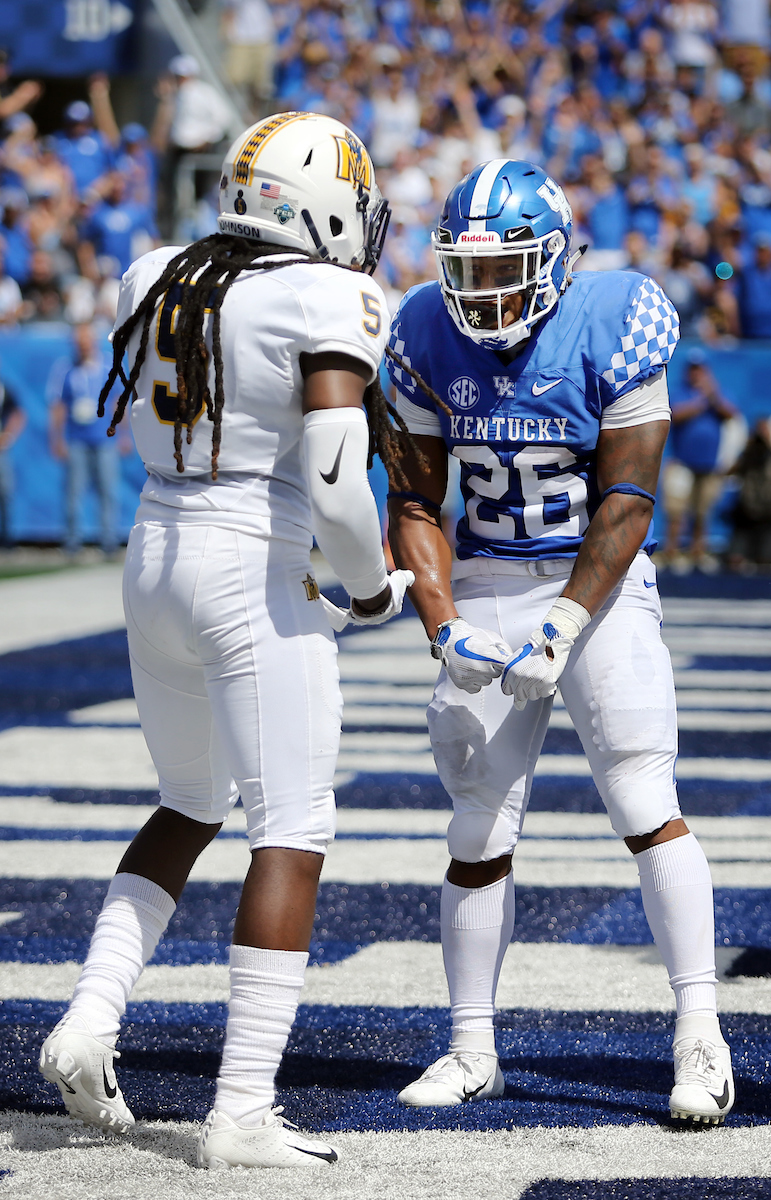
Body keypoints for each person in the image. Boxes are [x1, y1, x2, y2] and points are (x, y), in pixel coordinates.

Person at [38, 111, 412, 1170]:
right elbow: (340, 481)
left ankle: (91, 1017)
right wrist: (372, 591)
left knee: (191, 801)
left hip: (154, 544)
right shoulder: (325, 292)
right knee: (292, 823)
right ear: (322, 204)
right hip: (254, 550)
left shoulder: (155, 270)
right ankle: (242, 1108)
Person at [386, 160, 734, 1126]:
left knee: (640, 793)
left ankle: (700, 1034)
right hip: (492, 574)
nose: (481, 293)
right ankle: (470, 1047)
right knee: (476, 823)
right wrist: (443, 621)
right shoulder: (421, 328)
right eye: (467, 270)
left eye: (503, 271)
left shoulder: (614, 315)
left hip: (598, 581)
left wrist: (570, 622)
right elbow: (413, 501)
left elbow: (627, 501)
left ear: (554, 260)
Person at [48, 322, 121, 558]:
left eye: (86, 341)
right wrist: (57, 438)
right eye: (79, 342)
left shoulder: (109, 364)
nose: (83, 346)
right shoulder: (65, 368)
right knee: (74, 491)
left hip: (104, 438)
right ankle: (73, 541)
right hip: (76, 438)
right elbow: (58, 406)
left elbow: (118, 401)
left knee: (108, 490)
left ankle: (109, 541)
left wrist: (123, 433)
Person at [663, 348, 739, 568]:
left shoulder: (717, 394)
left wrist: (712, 396)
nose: (696, 374)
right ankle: (672, 554)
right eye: (693, 369)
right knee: (677, 512)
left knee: (702, 512)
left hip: (709, 464)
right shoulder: (681, 391)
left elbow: (732, 414)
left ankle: (697, 553)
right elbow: (673, 414)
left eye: (700, 369)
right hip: (682, 462)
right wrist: (699, 403)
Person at [727, 417, 771, 570]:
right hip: (746, 517)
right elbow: (728, 472)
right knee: (735, 560)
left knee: (766, 562)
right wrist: (747, 448)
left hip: (770, 518)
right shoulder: (748, 457)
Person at [0, 362, 25, 547]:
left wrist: (7, 435)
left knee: (5, 492)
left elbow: (19, 413)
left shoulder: (3, 388)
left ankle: (6, 538)